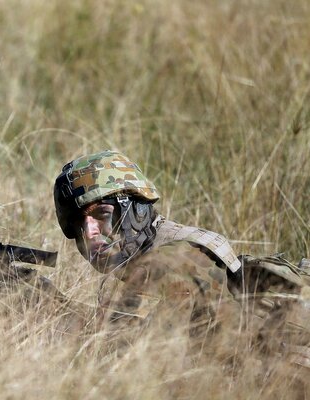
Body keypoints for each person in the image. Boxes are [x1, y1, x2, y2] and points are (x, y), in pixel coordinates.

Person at [53, 150, 310, 371]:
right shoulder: (163, 251)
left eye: (102, 214)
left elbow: (124, 359)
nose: (89, 233)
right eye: (77, 225)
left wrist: (49, 311)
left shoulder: (172, 260)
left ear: (136, 209)